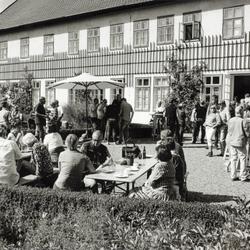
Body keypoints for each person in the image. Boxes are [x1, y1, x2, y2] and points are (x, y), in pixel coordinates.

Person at [226, 106, 249, 181]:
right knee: (242, 158)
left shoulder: (231, 120)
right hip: (240, 141)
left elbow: (229, 131)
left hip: (232, 141)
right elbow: (247, 132)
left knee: (233, 158)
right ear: (241, 112)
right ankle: (243, 176)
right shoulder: (243, 120)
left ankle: (233, 175)